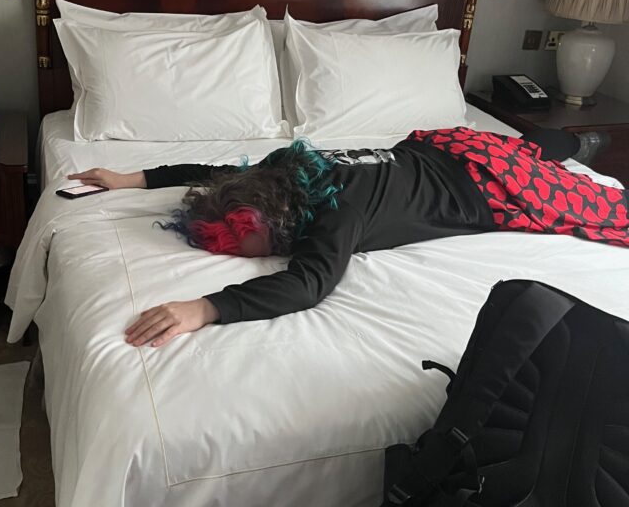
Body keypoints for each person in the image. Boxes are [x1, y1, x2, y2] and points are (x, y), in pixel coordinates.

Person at [68, 129, 629, 348]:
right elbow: (213, 171)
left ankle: (570, 148)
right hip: (445, 144)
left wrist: (207, 307)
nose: (252, 258)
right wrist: (132, 178)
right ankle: (565, 145)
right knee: (527, 148)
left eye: (258, 247)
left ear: (283, 222)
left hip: (481, 187)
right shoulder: (283, 163)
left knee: (599, 209)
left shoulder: (338, 213)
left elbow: (310, 284)